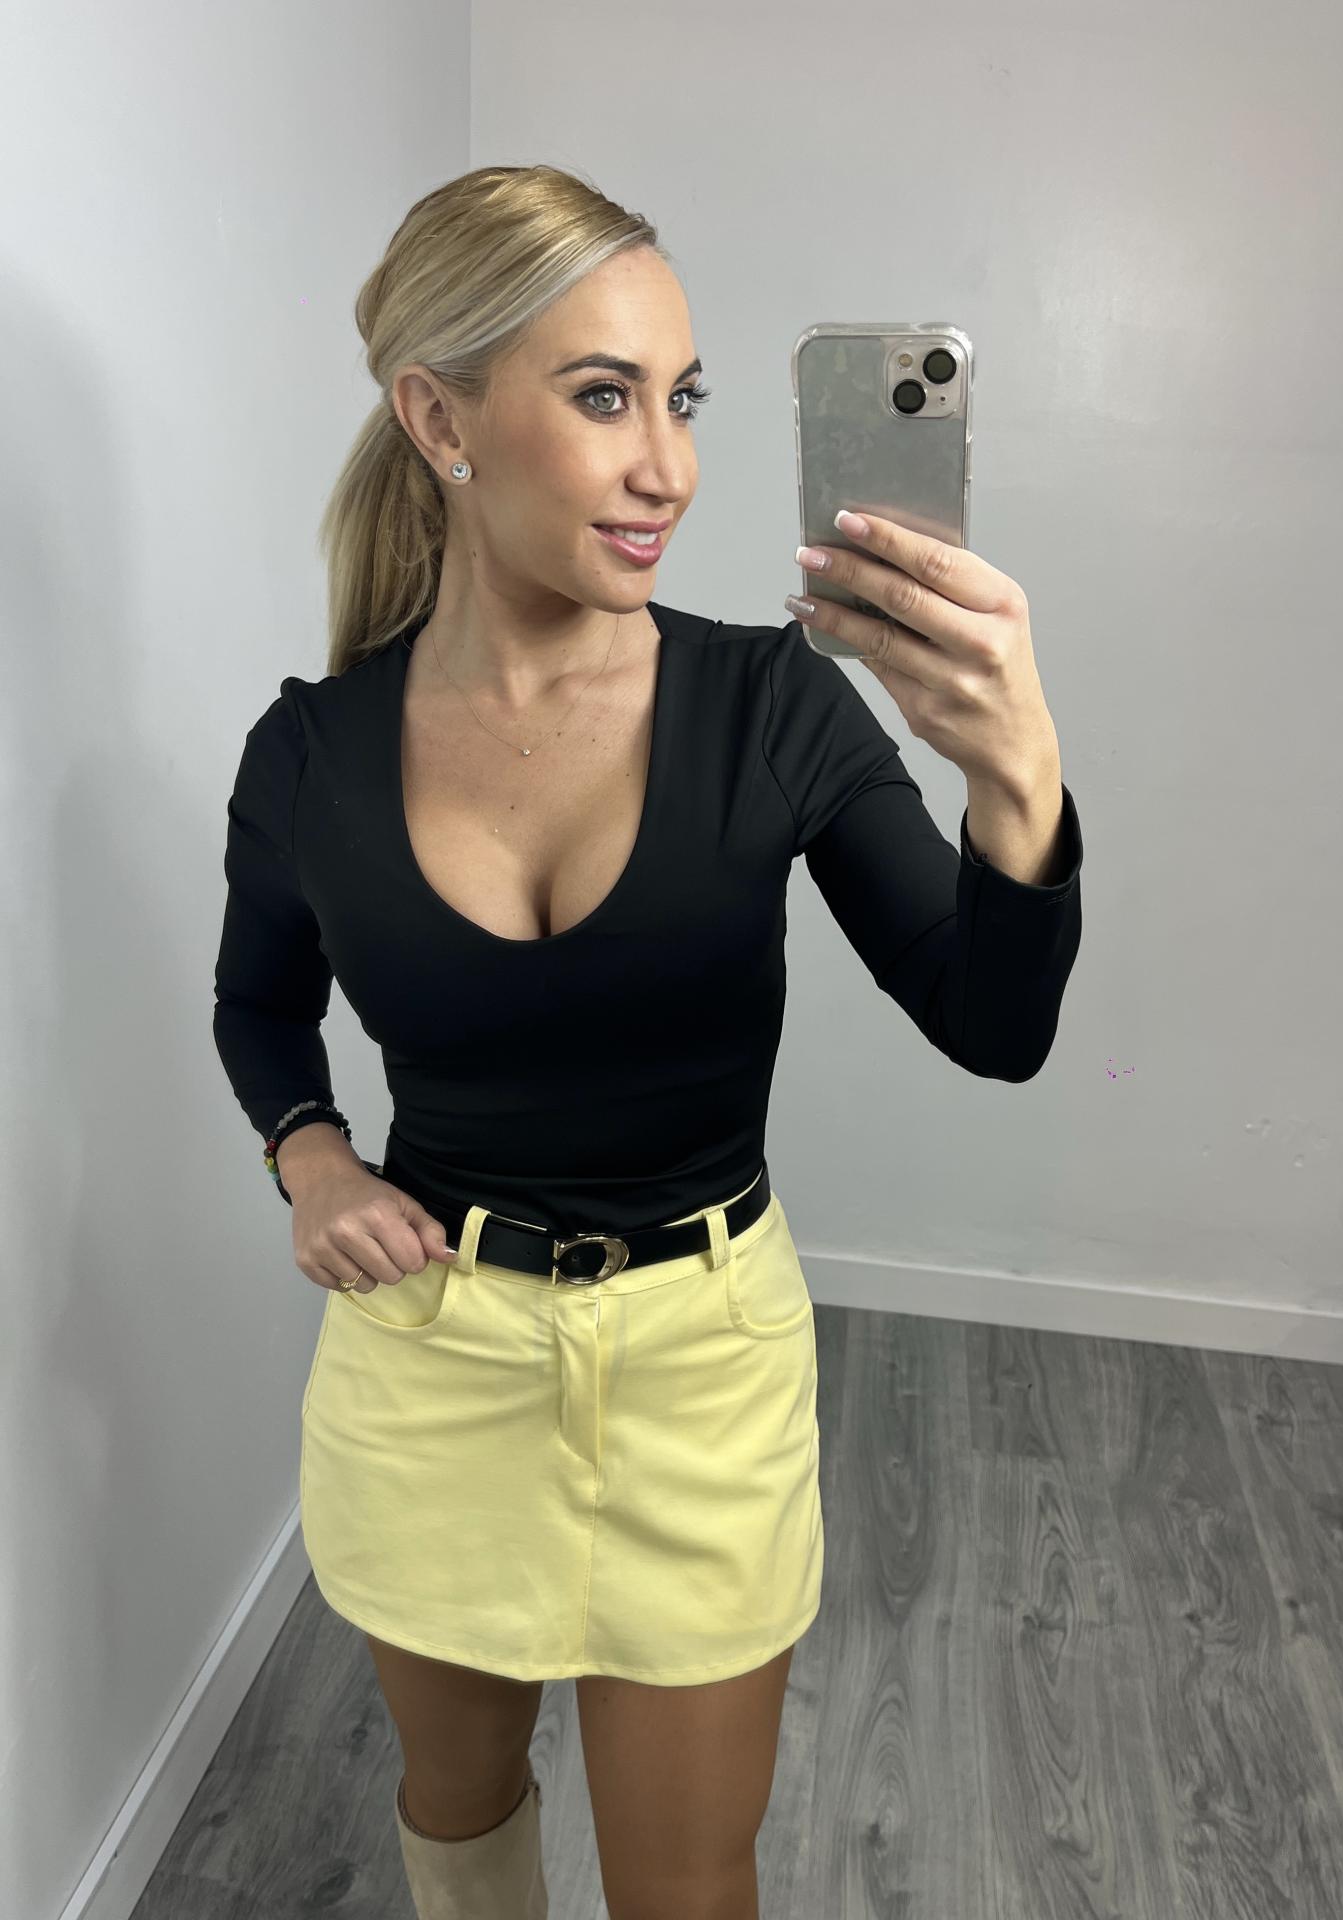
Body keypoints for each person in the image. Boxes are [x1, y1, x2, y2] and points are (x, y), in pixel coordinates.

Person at [212, 163, 1084, 1920]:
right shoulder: (310, 751)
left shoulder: (772, 703)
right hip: (432, 1360)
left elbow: (993, 1026)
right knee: (461, 1822)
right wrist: (309, 1156)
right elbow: (257, 1002)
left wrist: (1017, 779)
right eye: (605, 398)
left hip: (702, 1368)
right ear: (439, 419)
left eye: (682, 401)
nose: (670, 468)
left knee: (686, 1887)